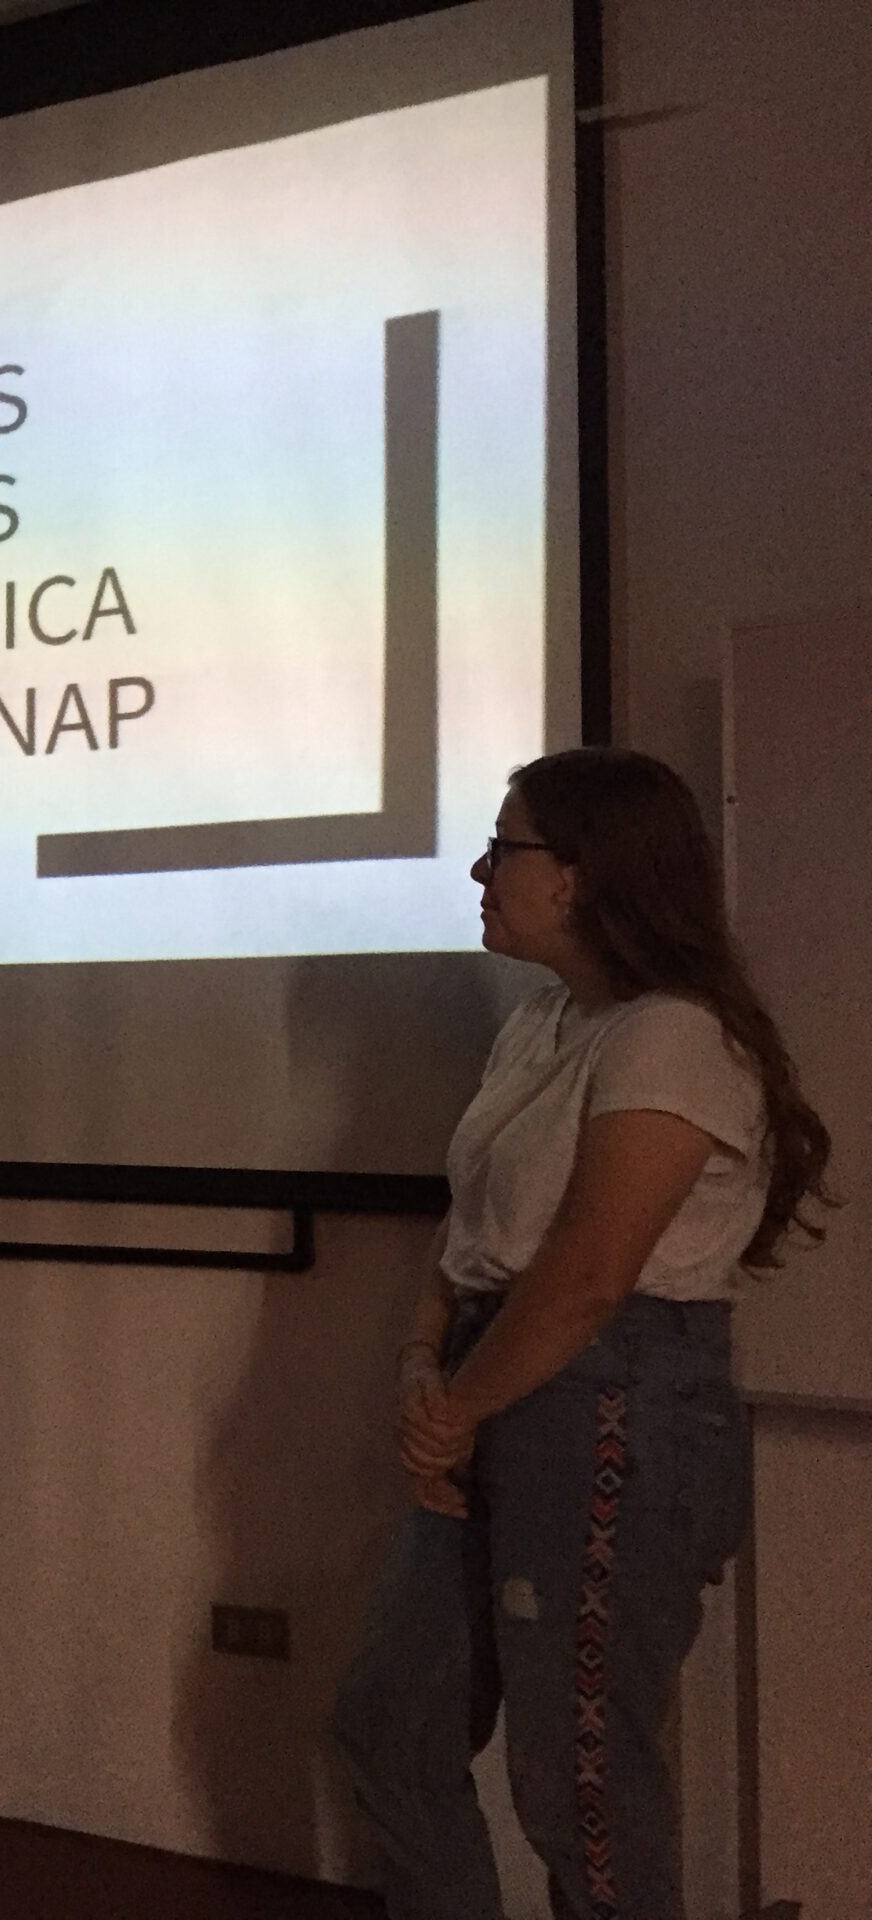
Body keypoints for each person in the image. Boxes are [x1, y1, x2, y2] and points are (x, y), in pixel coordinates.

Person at [333, 747, 833, 1920]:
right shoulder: (544, 1021)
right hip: (490, 1379)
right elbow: (475, 1224)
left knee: (578, 1783)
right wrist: (423, 1367)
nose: (479, 872)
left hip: (610, 1400)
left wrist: (455, 1411)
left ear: (580, 874)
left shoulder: (673, 1037)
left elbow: (588, 1275)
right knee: (389, 1721)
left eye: (502, 848)